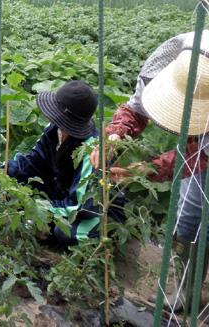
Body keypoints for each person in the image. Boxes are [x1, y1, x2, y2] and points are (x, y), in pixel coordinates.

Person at [90, 31, 209, 312]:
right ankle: (187, 293)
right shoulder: (177, 60)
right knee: (189, 214)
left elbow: (200, 155)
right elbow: (136, 108)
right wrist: (114, 137)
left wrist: (143, 171)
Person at [6, 80, 127, 246]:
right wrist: (4, 172)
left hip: (95, 211)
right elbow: (32, 163)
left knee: (66, 233)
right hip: (63, 192)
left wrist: (41, 212)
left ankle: (57, 237)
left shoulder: (92, 153)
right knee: (13, 178)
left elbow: (82, 207)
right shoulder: (55, 130)